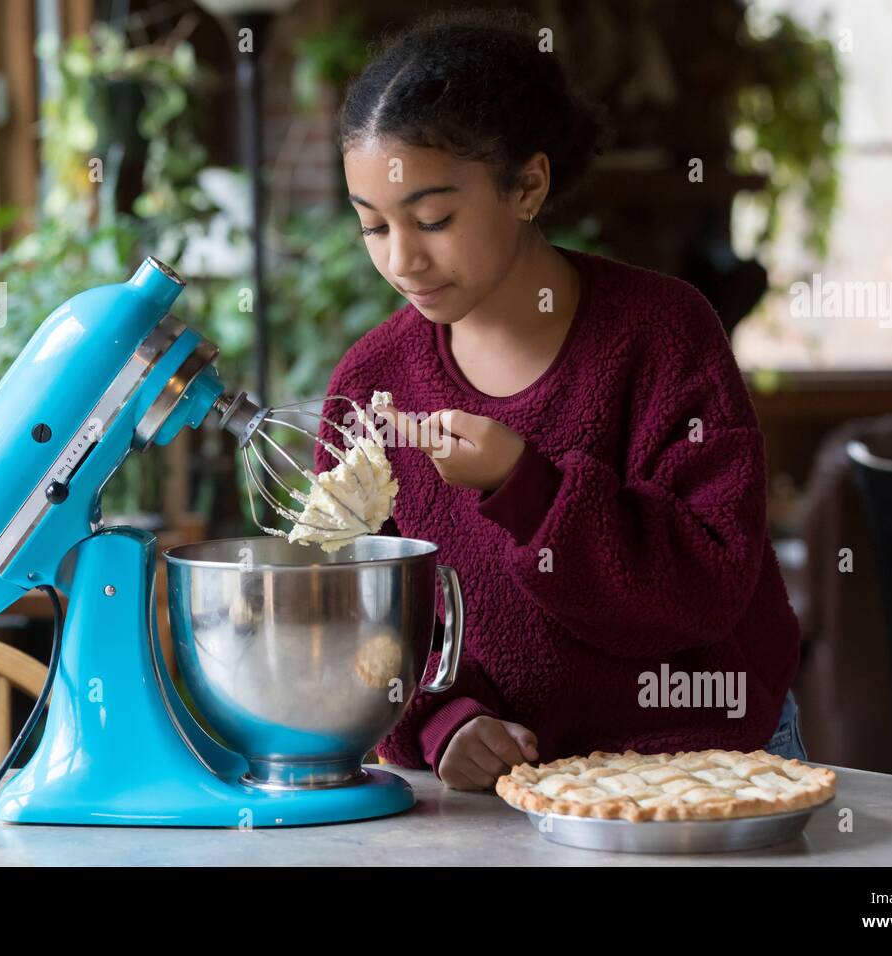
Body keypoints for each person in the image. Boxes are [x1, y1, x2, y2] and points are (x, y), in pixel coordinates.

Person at [316, 8, 805, 790]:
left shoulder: (663, 334)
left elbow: (707, 591)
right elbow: (359, 618)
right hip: (504, 792)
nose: (402, 259)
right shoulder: (372, 382)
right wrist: (442, 721)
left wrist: (527, 486)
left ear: (528, 185)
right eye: (373, 227)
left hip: (707, 765)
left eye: (434, 218)